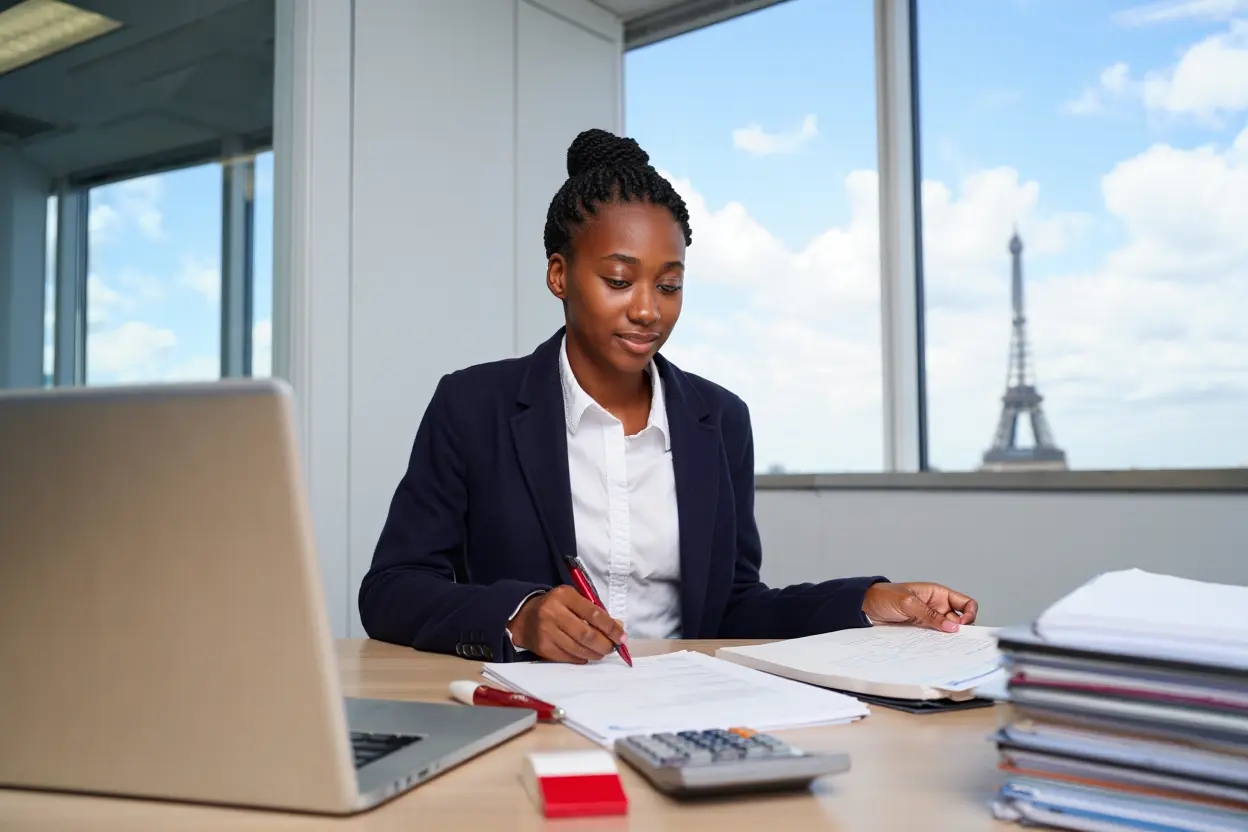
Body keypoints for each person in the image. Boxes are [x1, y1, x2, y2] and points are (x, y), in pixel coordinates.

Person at [359, 128, 978, 664]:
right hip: (533, 709)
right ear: (558, 275)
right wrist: (519, 615)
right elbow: (391, 589)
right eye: (619, 280)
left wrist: (867, 601)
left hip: (683, 702)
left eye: (671, 284)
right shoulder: (473, 406)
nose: (649, 310)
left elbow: (736, 606)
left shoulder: (720, 420)